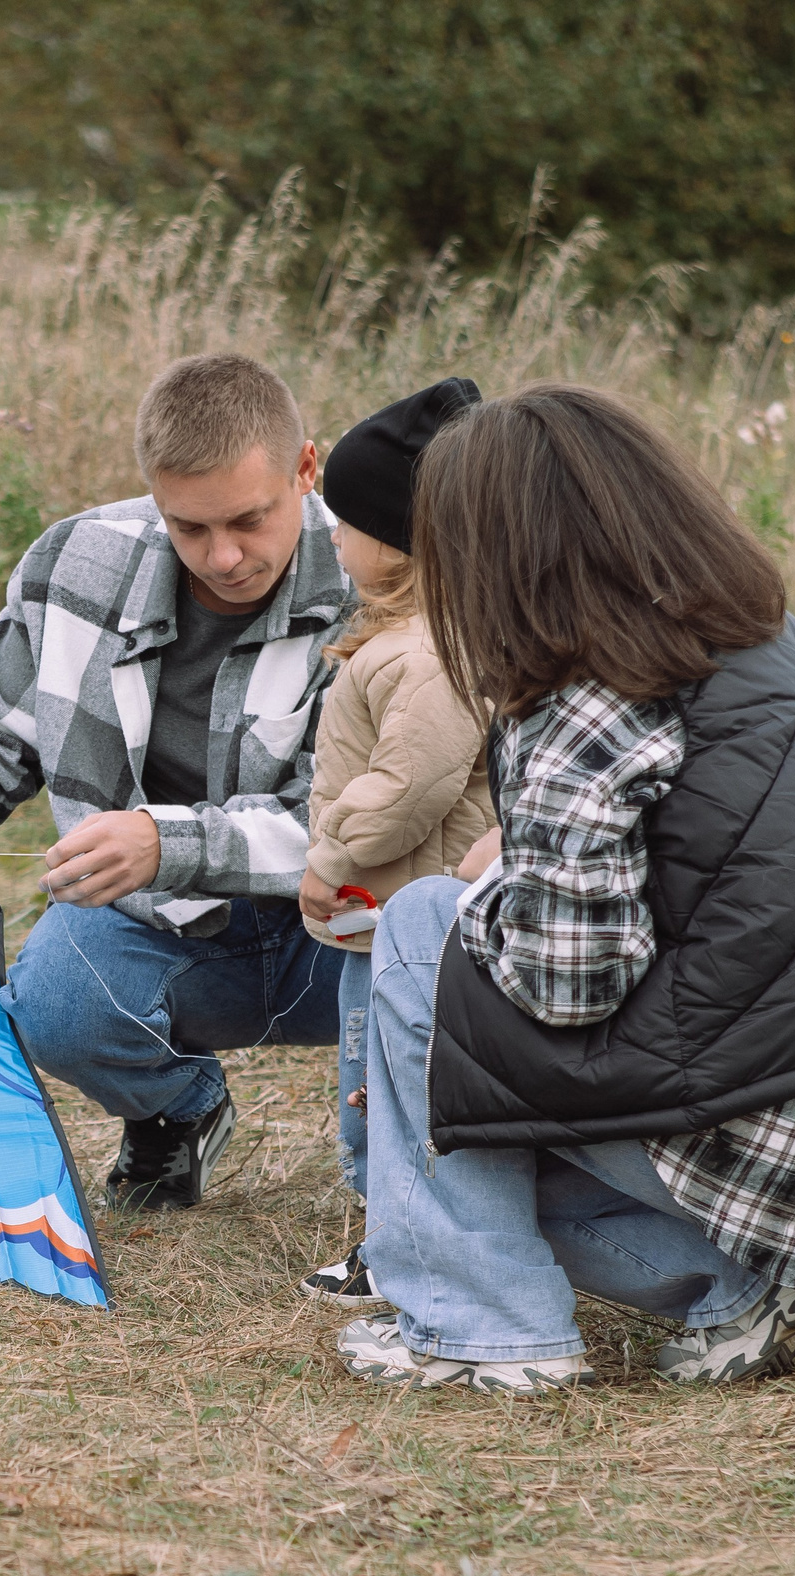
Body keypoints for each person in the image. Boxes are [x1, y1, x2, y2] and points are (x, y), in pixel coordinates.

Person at [335, 382, 795, 1396]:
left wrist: (495, 884)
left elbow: (568, 985)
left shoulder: (584, 694)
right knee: (474, 1114)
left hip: (779, 1130)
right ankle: (735, 1284)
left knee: (424, 929)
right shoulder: (752, 636)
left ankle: (480, 1327)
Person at [0, 353, 351, 1210]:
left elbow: (356, 820)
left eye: (248, 520)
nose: (223, 556)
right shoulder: (75, 560)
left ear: (307, 468)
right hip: (158, 926)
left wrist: (168, 843)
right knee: (52, 1004)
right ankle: (179, 1112)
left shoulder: (379, 580)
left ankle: (410, 1194)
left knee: (445, 975)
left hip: (335, 931)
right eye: (190, 528)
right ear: (155, 495)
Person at [290, 378, 498, 1306]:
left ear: (401, 541)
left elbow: (410, 787)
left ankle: (401, 1245)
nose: (331, 537)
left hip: (396, 920)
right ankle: (396, 1237)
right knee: (375, 1081)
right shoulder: (410, 641)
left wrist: (330, 857)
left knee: (384, 1087)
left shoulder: (426, 655)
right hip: (381, 914)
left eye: (346, 523)